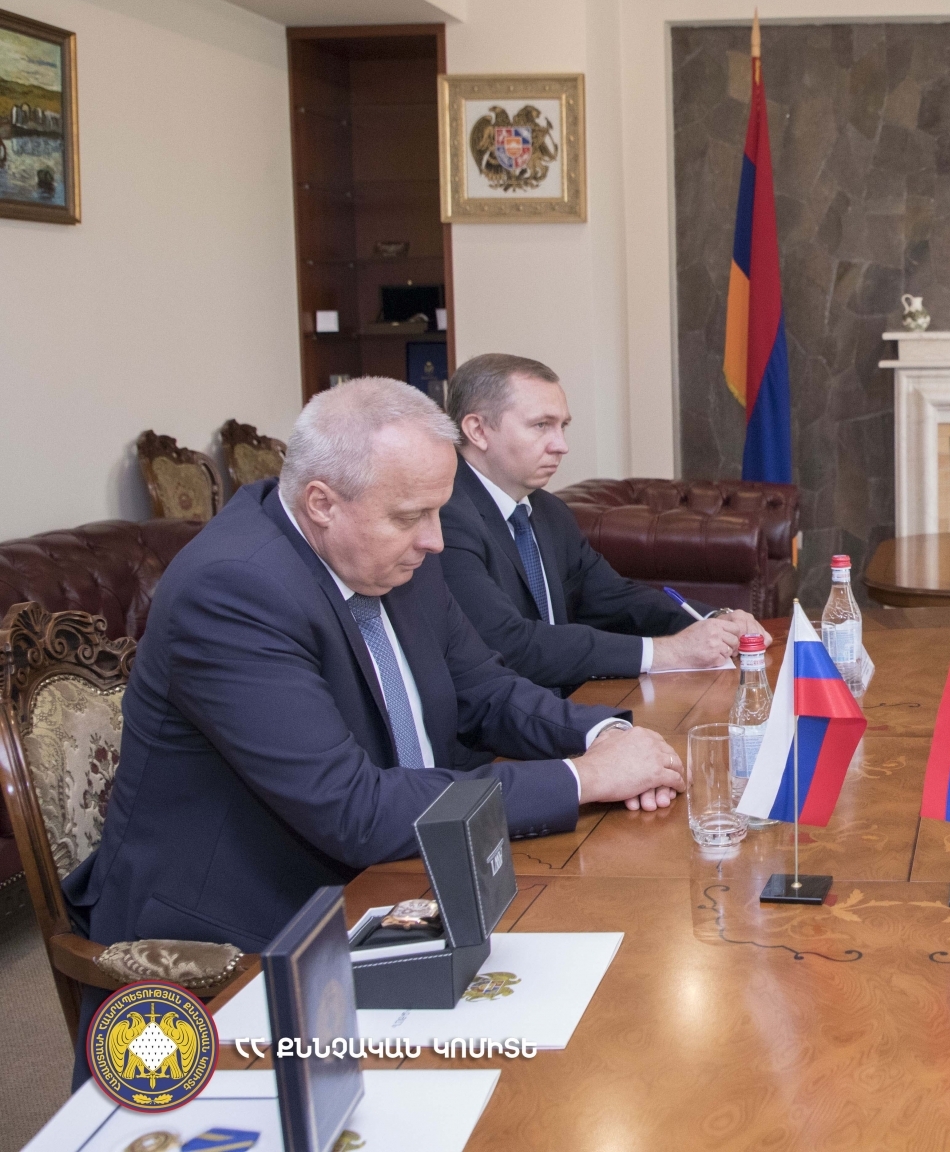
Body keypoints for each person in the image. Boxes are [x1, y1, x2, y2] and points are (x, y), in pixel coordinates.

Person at [64, 379, 688, 981]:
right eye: (411, 516)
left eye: (439, 511)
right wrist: (583, 778)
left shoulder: (389, 551)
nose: (435, 540)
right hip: (244, 936)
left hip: (398, 873)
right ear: (321, 504)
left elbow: (487, 690)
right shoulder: (232, 591)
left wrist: (605, 735)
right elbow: (351, 808)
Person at [438, 354, 762, 693]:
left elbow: (613, 597)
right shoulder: (444, 518)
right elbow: (508, 645)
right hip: (498, 718)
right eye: (541, 425)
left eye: (562, 426)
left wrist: (715, 621)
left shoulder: (548, 510)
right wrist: (668, 652)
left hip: (562, 705)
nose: (561, 446)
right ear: (478, 430)